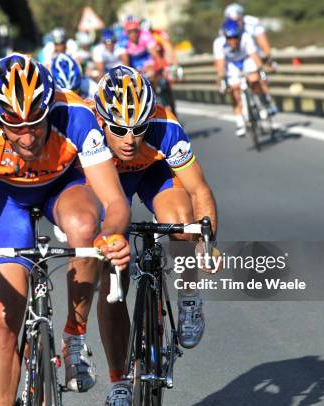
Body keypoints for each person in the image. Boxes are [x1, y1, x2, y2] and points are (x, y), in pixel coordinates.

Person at [0, 53, 131, 405]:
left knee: (84, 227)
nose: (27, 137)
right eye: (14, 126)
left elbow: (115, 201)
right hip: (6, 198)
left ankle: (74, 338)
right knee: (5, 321)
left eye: (35, 123)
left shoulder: (74, 114)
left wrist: (111, 235)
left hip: (63, 188)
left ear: (49, 109)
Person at [93, 65, 218, 405]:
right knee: (110, 280)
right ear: (102, 120)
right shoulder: (87, 131)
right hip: (108, 179)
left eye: (139, 128)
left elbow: (199, 190)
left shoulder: (165, 126)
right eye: (119, 129)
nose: (131, 139)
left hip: (155, 173)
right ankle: (118, 380)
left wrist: (208, 242)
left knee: (180, 221)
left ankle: (190, 298)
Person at [213, 19, 267, 137]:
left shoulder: (246, 38)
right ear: (225, 36)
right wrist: (222, 79)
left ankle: (261, 104)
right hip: (232, 64)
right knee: (235, 90)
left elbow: (254, 56)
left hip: (246, 60)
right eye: (230, 38)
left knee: (253, 79)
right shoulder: (219, 43)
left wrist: (260, 70)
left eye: (236, 37)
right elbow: (220, 64)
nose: (233, 41)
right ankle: (240, 122)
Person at [224, 2, 277, 114]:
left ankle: (266, 101)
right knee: (235, 86)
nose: (236, 22)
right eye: (232, 19)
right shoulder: (226, 27)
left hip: (254, 53)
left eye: (238, 19)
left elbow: (263, 42)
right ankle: (242, 117)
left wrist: (268, 58)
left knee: (257, 77)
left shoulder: (252, 22)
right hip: (236, 57)